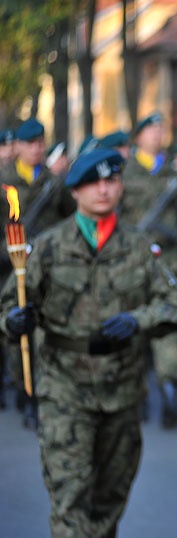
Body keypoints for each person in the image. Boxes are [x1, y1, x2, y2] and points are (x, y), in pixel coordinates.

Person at [0, 147, 177, 538]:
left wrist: (138, 320)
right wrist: (14, 321)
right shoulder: (46, 247)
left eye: (112, 181)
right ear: (76, 190)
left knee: (111, 491)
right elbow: (10, 305)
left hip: (122, 388)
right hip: (63, 385)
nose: (104, 189)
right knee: (69, 489)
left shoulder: (140, 247)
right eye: (93, 183)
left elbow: (176, 303)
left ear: (121, 186)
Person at [120, 112, 177, 428]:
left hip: (168, 262)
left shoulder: (172, 175)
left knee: (167, 326)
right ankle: (135, 398)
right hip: (132, 261)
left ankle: (170, 398)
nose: (156, 134)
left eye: (160, 129)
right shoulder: (123, 174)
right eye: (150, 130)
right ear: (138, 136)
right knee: (133, 327)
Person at [0, 117, 76, 429]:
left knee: (43, 332)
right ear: (17, 146)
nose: (37, 149)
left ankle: (37, 398)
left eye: (41, 143)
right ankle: (22, 387)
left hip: (45, 268)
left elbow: (68, 219)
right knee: (17, 335)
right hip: (8, 268)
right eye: (30, 143)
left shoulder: (53, 182)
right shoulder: (3, 181)